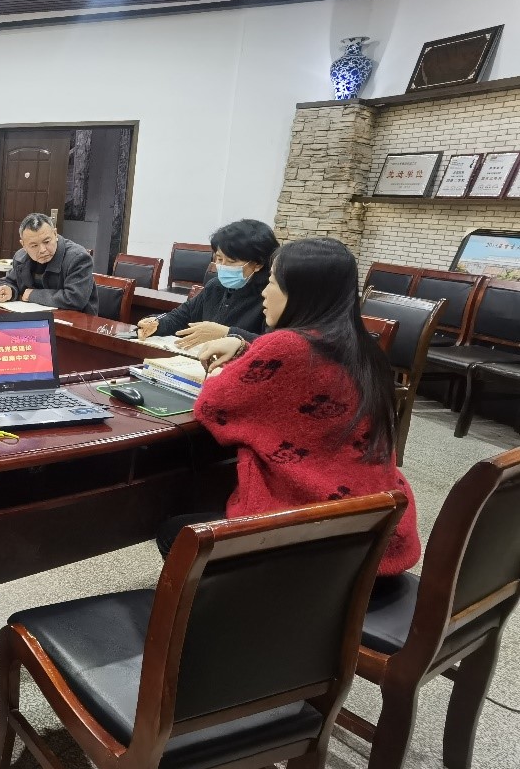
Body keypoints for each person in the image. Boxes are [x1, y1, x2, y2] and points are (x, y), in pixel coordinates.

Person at [155, 236, 420, 577]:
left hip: (314, 539)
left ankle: (246, 603)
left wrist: (229, 366)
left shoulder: (286, 345)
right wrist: (244, 347)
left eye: (273, 282)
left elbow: (213, 405)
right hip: (372, 530)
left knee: (174, 533)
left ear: (301, 292)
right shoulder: (363, 348)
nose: (265, 293)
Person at [136, 219, 278, 349]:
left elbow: (274, 346)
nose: (222, 266)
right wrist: (157, 324)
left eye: (231, 261)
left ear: (258, 264)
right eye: (219, 259)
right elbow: (182, 316)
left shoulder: (271, 297)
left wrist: (227, 333)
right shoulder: (215, 286)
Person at [0, 213, 98, 313]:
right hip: (34, 316)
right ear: (23, 245)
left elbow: (75, 299)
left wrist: (33, 295)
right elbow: (10, 281)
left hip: (75, 320)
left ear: (55, 234)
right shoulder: (21, 258)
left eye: (47, 242)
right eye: (34, 246)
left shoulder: (78, 258)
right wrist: (9, 290)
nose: (43, 250)